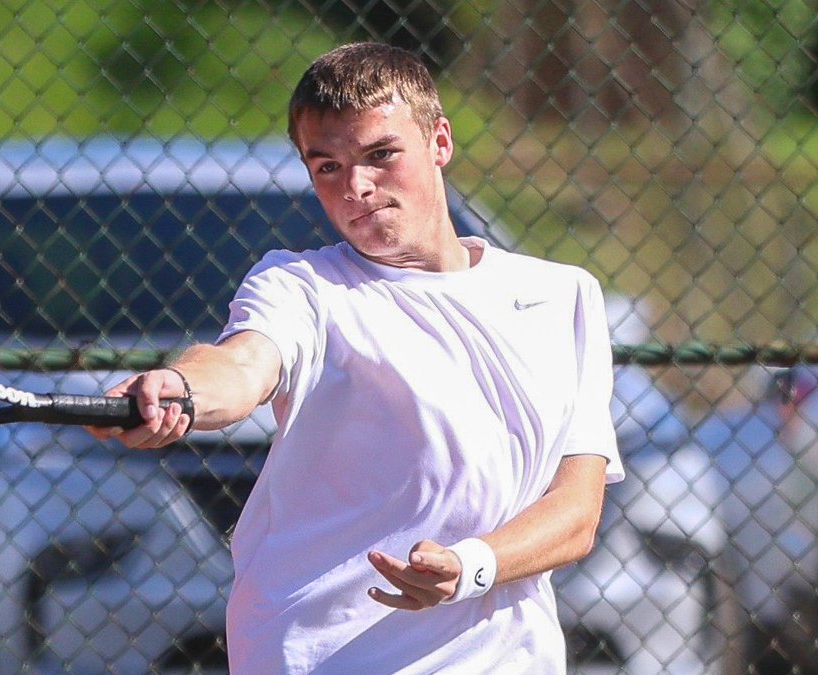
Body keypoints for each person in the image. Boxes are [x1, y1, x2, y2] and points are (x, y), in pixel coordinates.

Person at [87, 41, 624, 674]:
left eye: (380, 155)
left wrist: (470, 567)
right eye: (328, 167)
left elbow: (576, 511)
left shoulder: (562, 296)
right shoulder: (300, 288)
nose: (357, 187)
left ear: (439, 141)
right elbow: (240, 367)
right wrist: (177, 387)